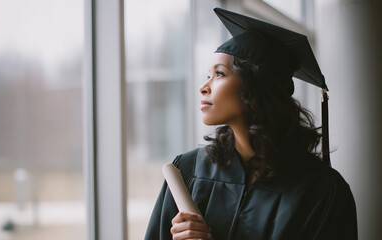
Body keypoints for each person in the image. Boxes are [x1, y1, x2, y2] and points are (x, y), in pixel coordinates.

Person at [145, 8, 357, 240]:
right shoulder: (187, 170)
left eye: (220, 74)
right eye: (208, 75)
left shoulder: (322, 191)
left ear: (254, 87)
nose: (204, 87)